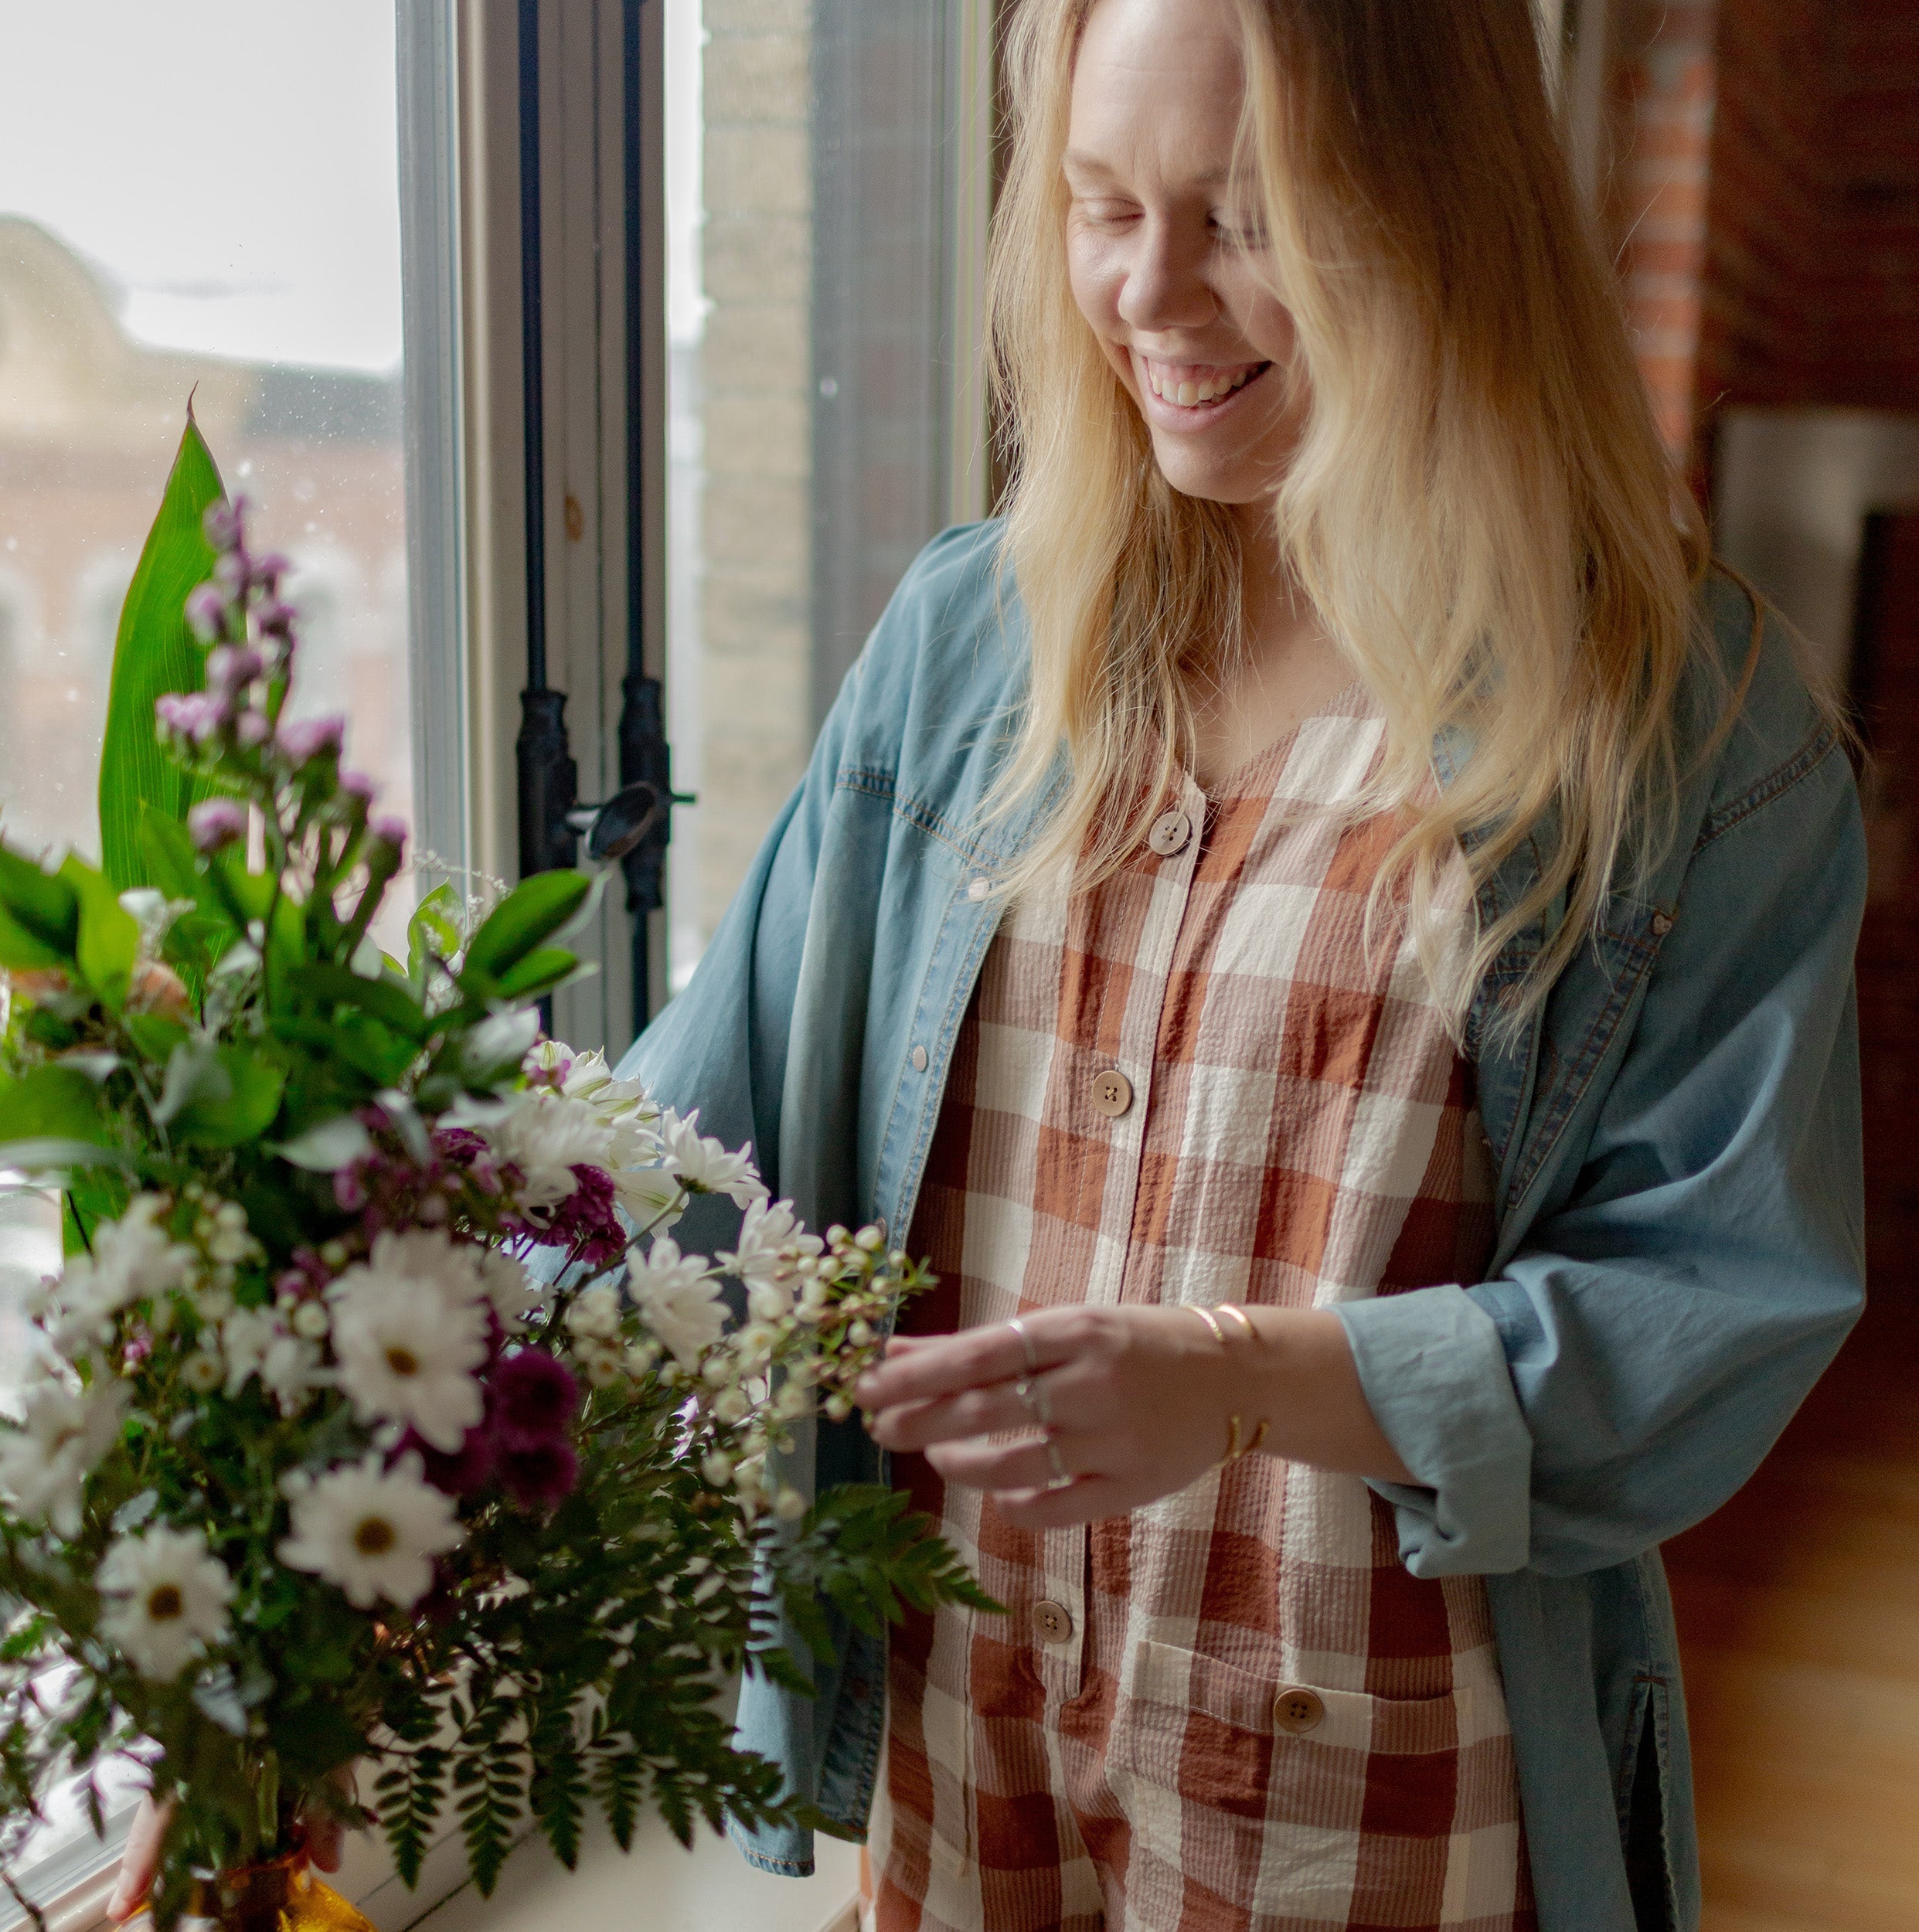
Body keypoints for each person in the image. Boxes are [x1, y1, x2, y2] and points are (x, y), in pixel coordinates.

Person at [630, 0, 1864, 1927]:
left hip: (1375, 1800)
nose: (1149, 294)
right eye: (1099, 204)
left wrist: (1236, 1377)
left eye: (1244, 217)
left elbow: (1710, 1317)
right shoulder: (966, 649)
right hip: (977, 1761)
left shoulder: (1680, 734)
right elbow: (674, 1161)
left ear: (1437, 216)